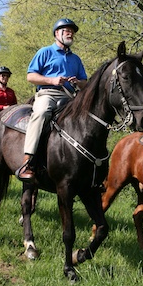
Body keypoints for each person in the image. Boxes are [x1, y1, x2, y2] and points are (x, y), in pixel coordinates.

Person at [16, 18, 88, 182]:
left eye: (72, 31)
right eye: (66, 30)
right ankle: (27, 162)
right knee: (40, 114)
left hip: (71, 97)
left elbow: (86, 83)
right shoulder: (45, 52)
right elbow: (30, 76)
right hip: (48, 94)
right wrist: (52, 80)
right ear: (57, 33)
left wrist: (78, 82)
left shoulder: (76, 59)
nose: (70, 33)